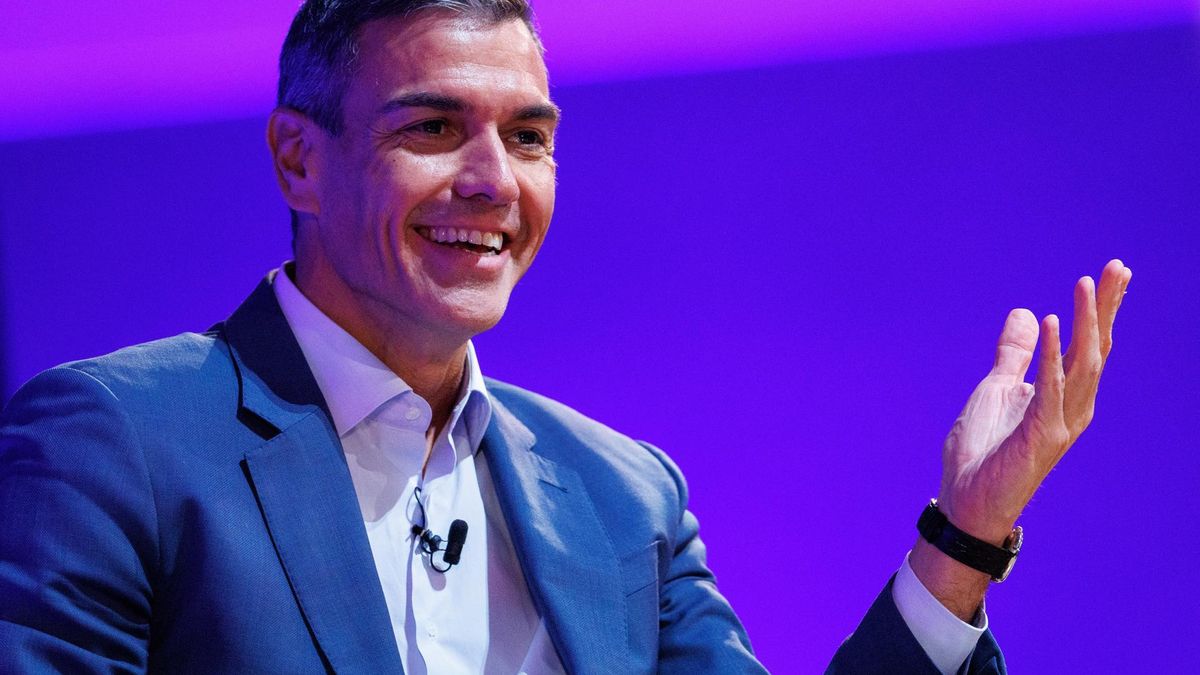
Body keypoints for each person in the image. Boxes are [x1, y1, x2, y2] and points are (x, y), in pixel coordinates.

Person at [0, 1, 1132, 673]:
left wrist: (964, 539)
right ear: (299, 157)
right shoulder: (119, 441)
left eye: (530, 136)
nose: (494, 181)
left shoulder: (621, 494)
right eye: (435, 127)